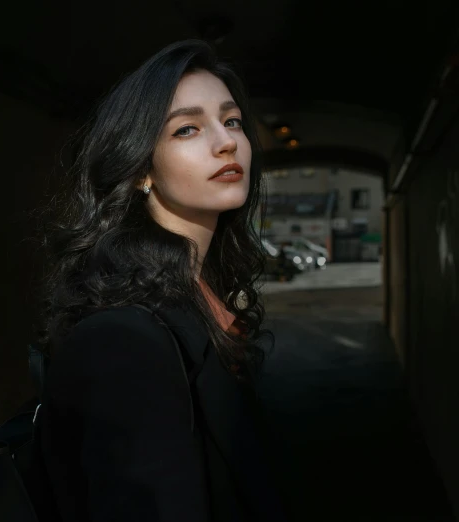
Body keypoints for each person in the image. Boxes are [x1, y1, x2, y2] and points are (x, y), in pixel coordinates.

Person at [34, 40, 286, 521]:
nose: (226, 140)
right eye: (187, 128)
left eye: (231, 120)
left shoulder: (197, 299)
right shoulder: (124, 340)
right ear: (138, 171)